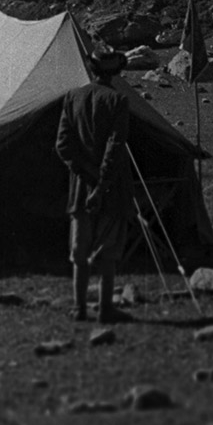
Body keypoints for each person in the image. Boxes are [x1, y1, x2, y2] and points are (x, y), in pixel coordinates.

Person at [55, 74, 138, 322]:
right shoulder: (117, 100)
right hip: (110, 189)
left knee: (79, 253)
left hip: (80, 189)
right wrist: (101, 186)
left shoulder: (72, 97)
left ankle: (80, 308)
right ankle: (105, 309)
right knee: (107, 252)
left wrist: (86, 176)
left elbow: (63, 145)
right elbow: (114, 147)